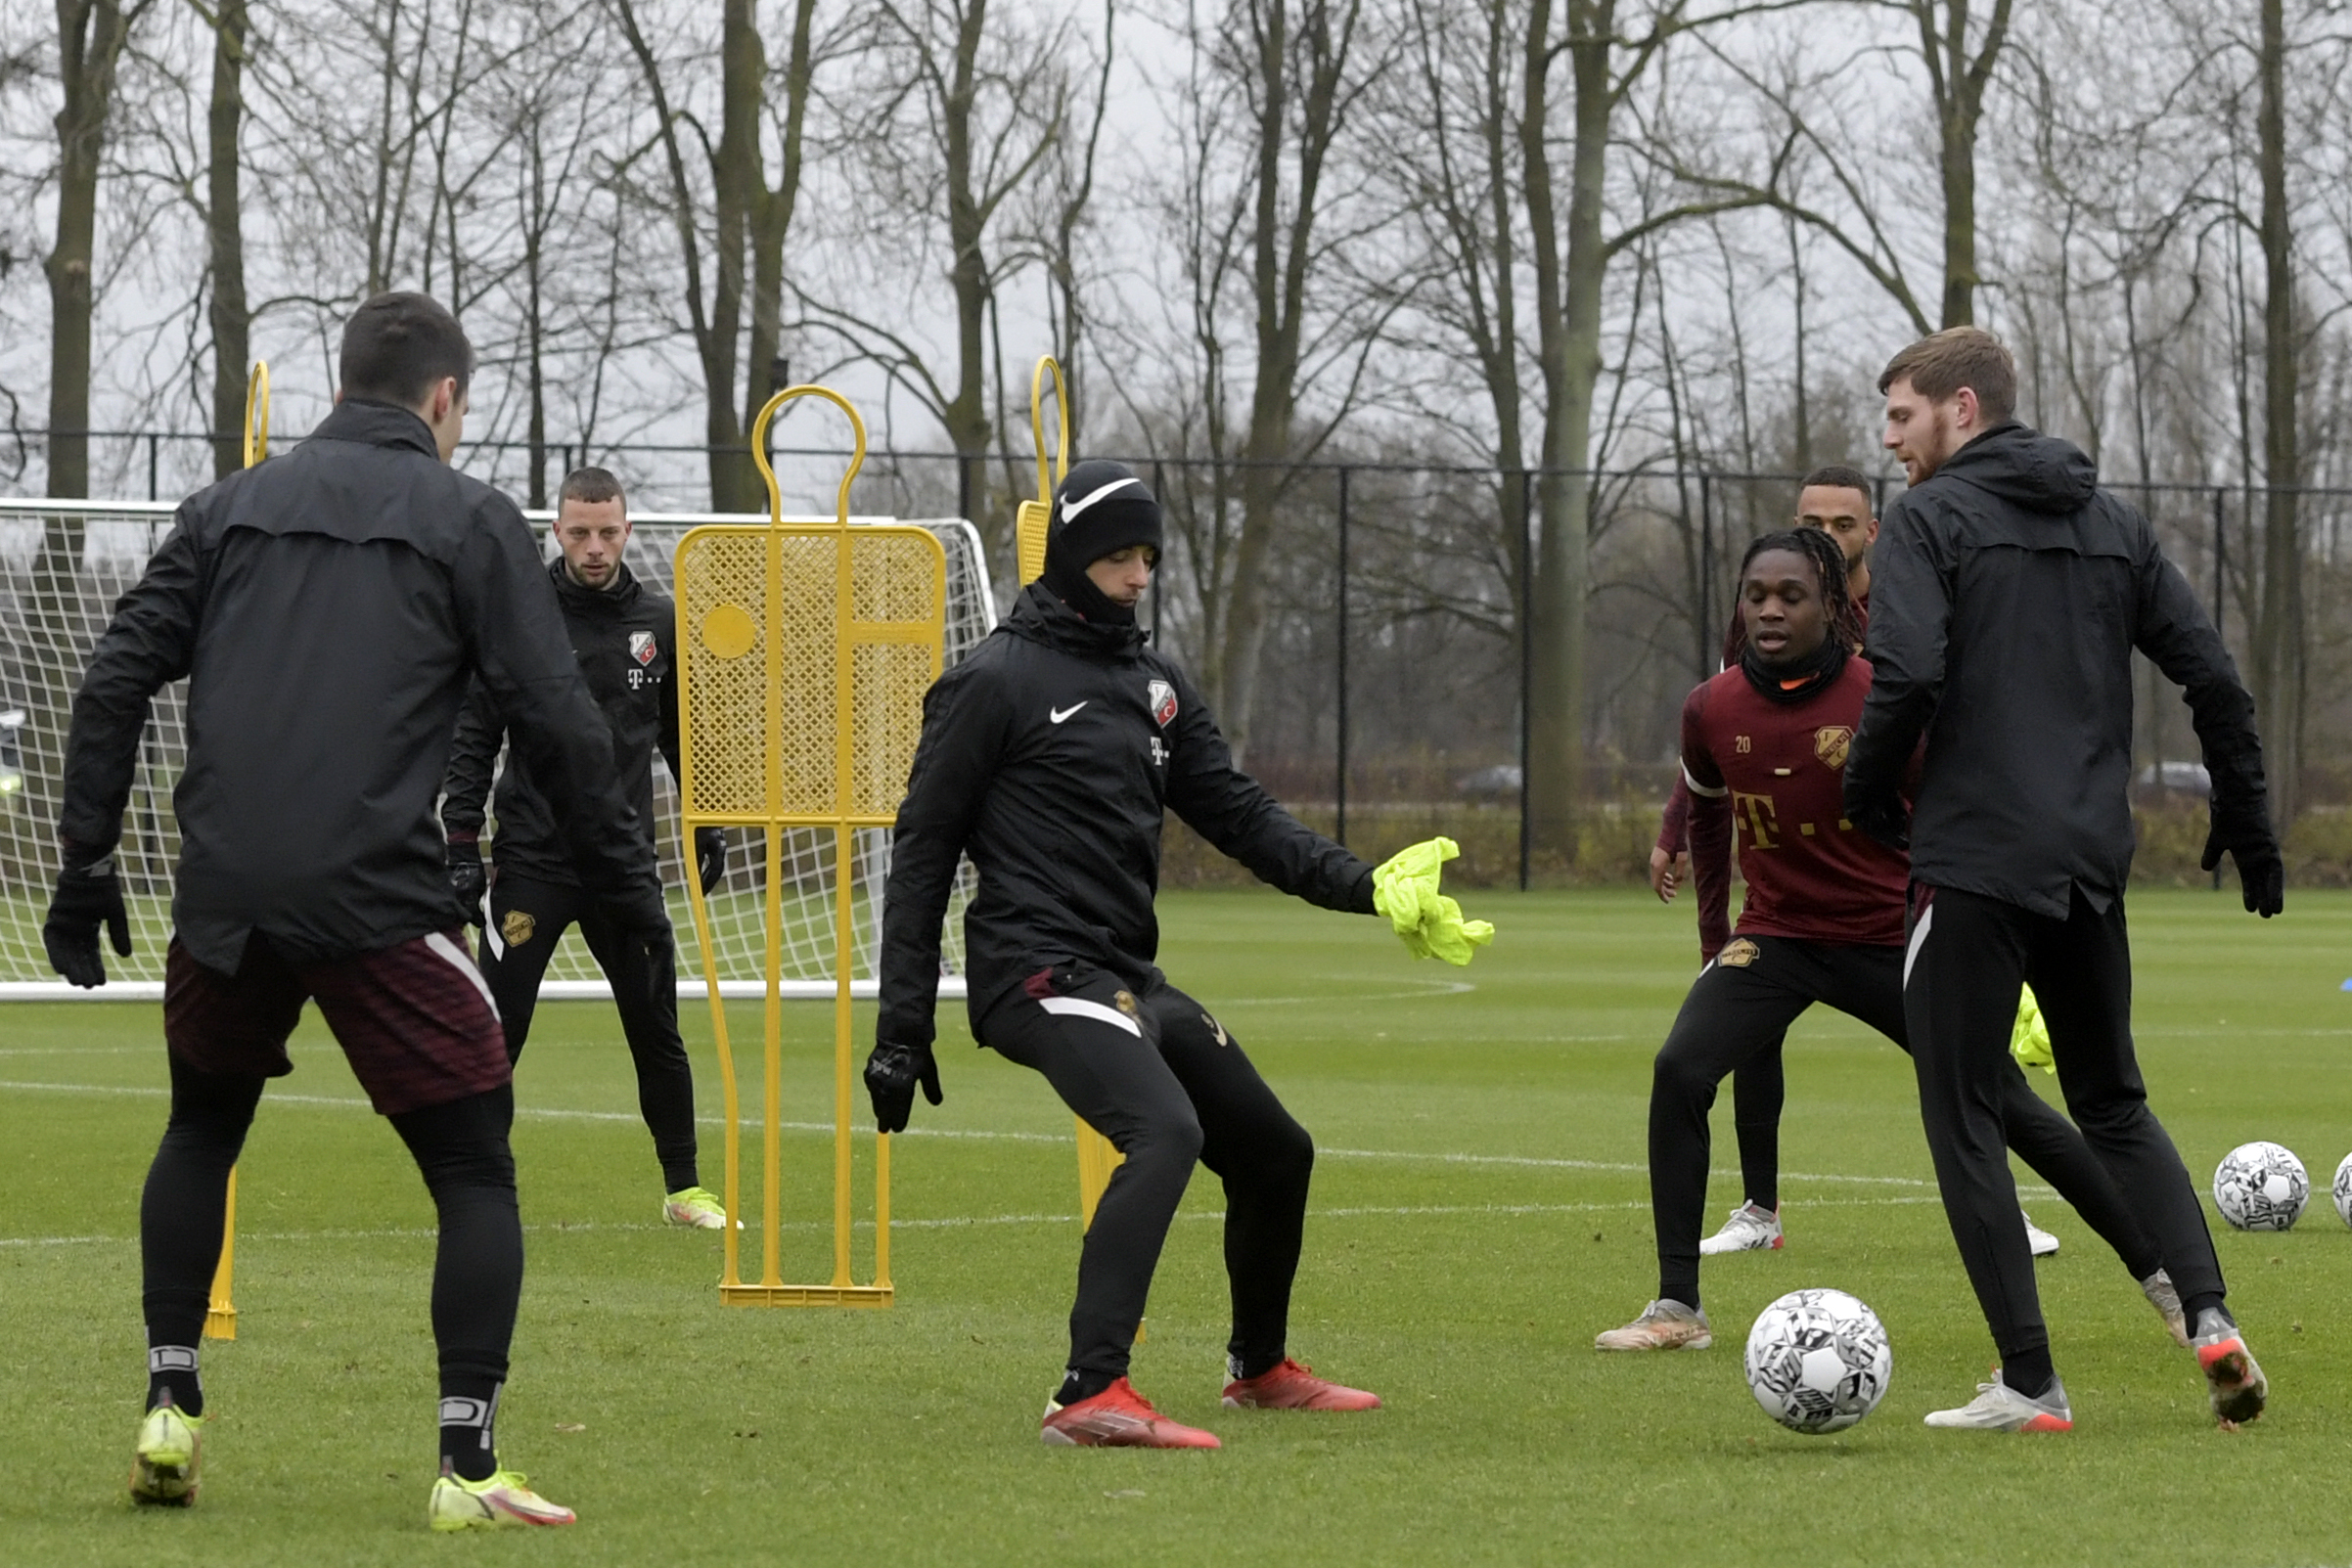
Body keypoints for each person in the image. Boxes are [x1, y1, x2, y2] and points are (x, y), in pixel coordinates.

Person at [44, 291, 667, 1527]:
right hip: (377, 891)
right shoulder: (471, 517)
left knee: (201, 1127)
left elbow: (113, 678)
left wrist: (85, 863)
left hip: (226, 890)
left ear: (338, 385)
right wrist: (626, 883)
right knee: (473, 1164)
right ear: (447, 398)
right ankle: (467, 1464)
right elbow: (557, 720)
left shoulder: (224, 507)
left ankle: (170, 1400)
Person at [866, 459, 1480, 1448]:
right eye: (1119, 555)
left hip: (1125, 976)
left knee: (1275, 1151)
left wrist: (1368, 886)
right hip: (1033, 971)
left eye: (1149, 556)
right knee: (1164, 1130)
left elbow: (1239, 813)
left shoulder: (1152, 683)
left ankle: (1259, 1369)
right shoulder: (993, 680)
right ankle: (1087, 1391)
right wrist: (902, 1027)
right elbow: (923, 849)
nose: (1138, 575)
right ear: (1072, 554)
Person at [1596, 528, 2180, 1365]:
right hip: (1777, 937)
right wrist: (1714, 943)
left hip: (1893, 937)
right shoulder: (1710, 708)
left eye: (1791, 595)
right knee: (1679, 1068)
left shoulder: (1883, 697)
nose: (1769, 609)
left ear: (1831, 605)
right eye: (1756, 594)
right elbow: (1708, 812)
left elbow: (1957, 811)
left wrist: (1979, 939)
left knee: (2006, 1106)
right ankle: (1677, 1304)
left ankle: (2163, 1278)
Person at [1846, 326, 2281, 1432]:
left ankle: (2030, 1382)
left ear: (1962, 409)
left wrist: (1866, 792)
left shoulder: (1926, 520)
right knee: (2114, 1101)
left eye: (1900, 415)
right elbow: (2215, 680)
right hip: (2087, 862)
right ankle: (2209, 1316)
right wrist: (2245, 814)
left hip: (1973, 862)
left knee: (1962, 1111)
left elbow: (1907, 671)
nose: (1889, 438)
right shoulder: (2112, 522)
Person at [1647, 468, 2061, 1262]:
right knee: (1732, 1035)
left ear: (1872, 533)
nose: (1827, 536)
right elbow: (1727, 735)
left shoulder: (1904, 612)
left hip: (1889, 901)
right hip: (1783, 910)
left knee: (1965, 1064)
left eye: (1843, 523)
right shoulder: (1770, 613)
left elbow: (1950, 752)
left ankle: (2018, 1204)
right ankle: (1757, 1208)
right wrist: (1678, 829)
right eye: (1813, 522)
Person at [442, 466, 729, 1230]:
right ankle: (470, 1186)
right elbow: (475, 735)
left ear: (626, 530)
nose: (594, 547)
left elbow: (682, 736)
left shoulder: (660, 622)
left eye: (606, 532)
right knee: (497, 1027)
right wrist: (461, 840)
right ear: (557, 532)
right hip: (531, 864)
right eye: (579, 533)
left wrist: (708, 820)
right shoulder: (518, 618)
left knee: (655, 1026)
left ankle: (684, 1188)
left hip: (624, 868)